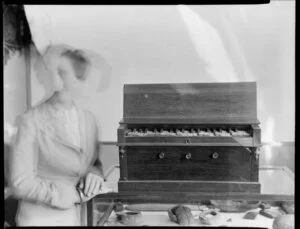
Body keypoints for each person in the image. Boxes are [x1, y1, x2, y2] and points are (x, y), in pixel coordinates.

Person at [9, 46, 107, 226]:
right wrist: (67, 195)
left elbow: (93, 162)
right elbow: (20, 182)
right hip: (38, 219)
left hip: (76, 217)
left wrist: (95, 174)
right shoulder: (30, 120)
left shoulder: (88, 120)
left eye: (63, 73)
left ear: (80, 80)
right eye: (55, 73)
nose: (56, 80)